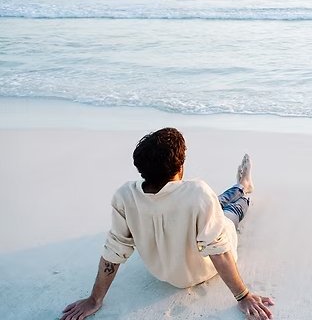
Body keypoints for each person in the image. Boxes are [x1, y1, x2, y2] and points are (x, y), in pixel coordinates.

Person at [61, 127, 274, 320]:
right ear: (180, 166)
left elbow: (114, 251)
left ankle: (241, 185)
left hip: (164, 271)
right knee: (228, 214)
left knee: (211, 204)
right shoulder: (197, 192)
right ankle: (244, 188)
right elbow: (219, 252)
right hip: (200, 270)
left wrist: (94, 300)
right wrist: (243, 296)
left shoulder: (125, 195)